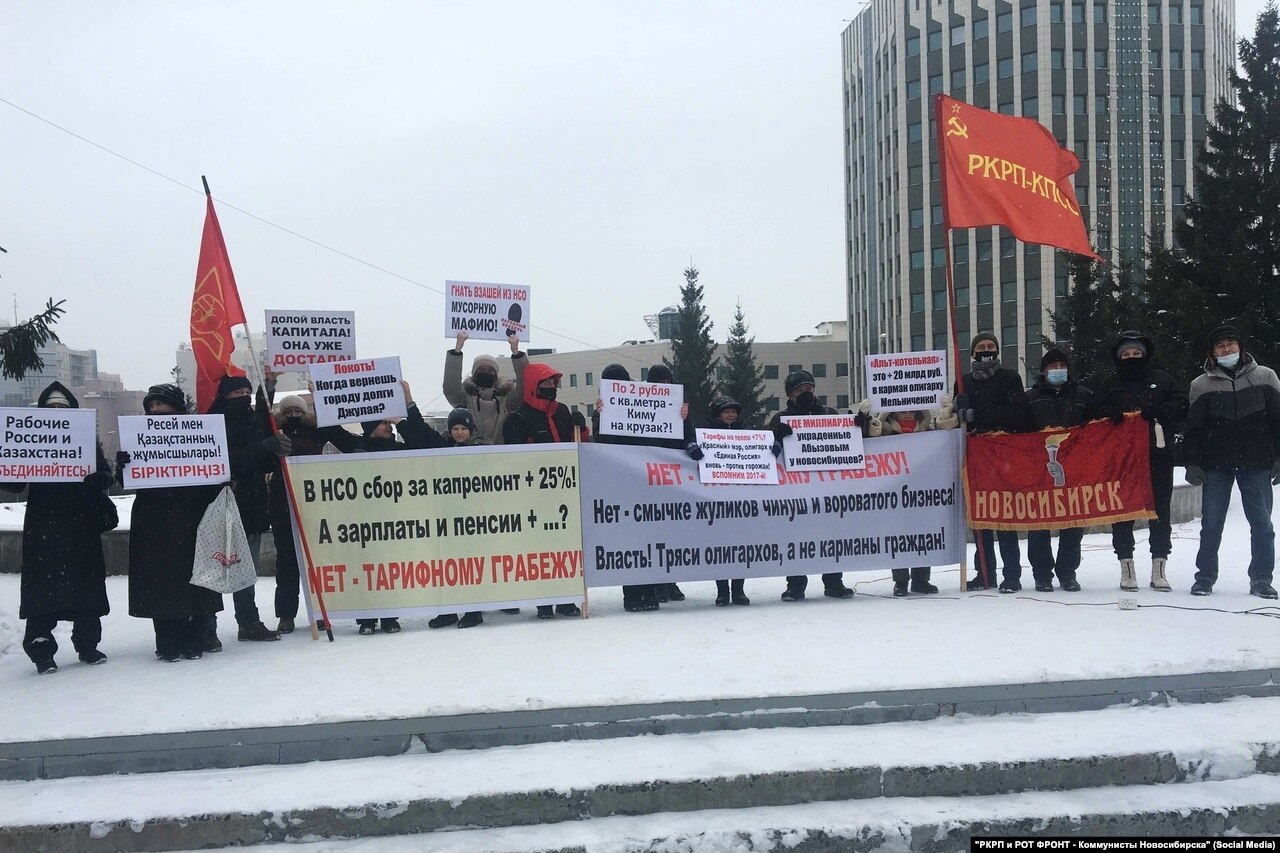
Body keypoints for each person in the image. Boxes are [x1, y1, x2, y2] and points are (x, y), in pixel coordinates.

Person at [1, 382, 114, 674]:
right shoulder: (29, 441)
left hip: (80, 524)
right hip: (44, 524)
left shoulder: (85, 440)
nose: (56, 412)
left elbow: (105, 475)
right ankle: (41, 649)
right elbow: (14, 483)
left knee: (85, 587)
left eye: (61, 408)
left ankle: (87, 644)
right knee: (43, 590)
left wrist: (100, 479)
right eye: (51, 408)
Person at [118, 383, 224, 661]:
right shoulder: (138, 437)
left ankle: (194, 638)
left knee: (194, 583)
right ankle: (167, 641)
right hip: (154, 523)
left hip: (191, 519)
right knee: (161, 585)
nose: (155, 410)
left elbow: (210, 482)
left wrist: (219, 475)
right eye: (151, 406)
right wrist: (124, 465)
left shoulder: (198, 435)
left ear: (176, 408)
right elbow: (128, 481)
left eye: (160, 404)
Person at [1183, 325, 1280, 599]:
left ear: (1240, 347)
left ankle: (1261, 579)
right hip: (1216, 465)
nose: (1226, 349)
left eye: (1231, 344)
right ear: (1212, 353)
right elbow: (1193, 429)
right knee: (1211, 524)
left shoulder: (1266, 377)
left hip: (1257, 463)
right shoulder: (1200, 385)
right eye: (1220, 346)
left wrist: (1278, 456)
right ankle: (1205, 578)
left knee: (1262, 525)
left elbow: (1278, 420)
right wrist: (1192, 462)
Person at [201, 375, 289, 649]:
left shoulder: (253, 419)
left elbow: (261, 461)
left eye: (247, 391)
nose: (243, 396)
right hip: (218, 504)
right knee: (213, 568)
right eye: (237, 391)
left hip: (251, 505)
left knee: (245, 568)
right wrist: (264, 448)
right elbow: (225, 461)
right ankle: (207, 628)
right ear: (224, 394)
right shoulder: (212, 423)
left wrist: (276, 452)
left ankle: (248, 621)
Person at [1097, 330, 1187, 592]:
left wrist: (1161, 410)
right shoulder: (1110, 384)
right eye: (1126, 353)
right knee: (1122, 510)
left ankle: (1159, 567)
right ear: (1118, 357)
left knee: (1160, 511)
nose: (1131, 357)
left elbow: (1182, 405)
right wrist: (1109, 414)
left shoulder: (1163, 380)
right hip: (1122, 459)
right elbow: (1093, 411)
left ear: (1146, 355)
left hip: (1157, 455)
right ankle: (1126, 566)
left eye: (1137, 353)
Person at [354, 380, 445, 634]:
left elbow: (425, 443)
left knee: (390, 568)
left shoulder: (399, 448)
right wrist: (320, 400)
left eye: (389, 423)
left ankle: (389, 616)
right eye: (384, 423)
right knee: (367, 568)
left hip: (394, 517)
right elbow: (330, 432)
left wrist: (404, 415)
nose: (389, 426)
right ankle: (367, 618)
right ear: (371, 427)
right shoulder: (356, 448)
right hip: (365, 519)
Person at [266, 389, 360, 634]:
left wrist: (321, 398)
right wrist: (268, 387)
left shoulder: (316, 430)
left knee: (316, 562)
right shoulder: (274, 432)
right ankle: (286, 615)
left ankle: (319, 611)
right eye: (288, 411)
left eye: (298, 410)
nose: (293, 415)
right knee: (286, 562)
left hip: (313, 501)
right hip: (283, 501)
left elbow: (342, 438)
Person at [502, 362, 581, 619]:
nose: (550, 387)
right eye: (545, 383)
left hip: (565, 492)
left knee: (566, 548)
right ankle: (544, 601)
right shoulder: (517, 418)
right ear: (532, 386)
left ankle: (567, 598)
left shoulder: (563, 412)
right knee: (540, 550)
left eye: (552, 383)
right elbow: (513, 460)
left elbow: (578, 446)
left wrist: (582, 428)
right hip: (534, 496)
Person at [857, 397, 958, 596]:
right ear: (893, 413)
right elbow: (866, 448)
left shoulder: (928, 433)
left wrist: (948, 416)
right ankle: (901, 581)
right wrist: (865, 421)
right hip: (895, 496)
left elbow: (947, 447)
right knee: (899, 537)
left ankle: (921, 579)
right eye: (903, 411)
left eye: (911, 411)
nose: (908, 415)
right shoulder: (883, 433)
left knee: (923, 535)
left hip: (924, 494)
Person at [953, 333, 1029, 592]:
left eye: (990, 346)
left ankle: (1012, 574)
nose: (986, 350)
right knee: (980, 519)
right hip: (975, 457)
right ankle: (984, 573)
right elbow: (957, 421)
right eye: (981, 347)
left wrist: (979, 414)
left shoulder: (1009, 378)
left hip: (1002, 455)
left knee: (1004, 516)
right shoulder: (963, 382)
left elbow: (1017, 414)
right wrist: (958, 409)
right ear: (972, 353)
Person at [770, 370, 855, 602]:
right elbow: (767, 452)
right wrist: (776, 436)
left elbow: (850, 444)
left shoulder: (829, 414)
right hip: (795, 490)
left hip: (828, 488)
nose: (805, 392)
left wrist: (857, 427)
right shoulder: (781, 418)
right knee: (796, 538)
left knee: (831, 536)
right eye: (800, 390)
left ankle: (834, 583)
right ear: (790, 394)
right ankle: (795, 585)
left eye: (809, 388)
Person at [593, 363, 662, 612]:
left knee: (648, 538)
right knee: (630, 542)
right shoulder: (603, 410)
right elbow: (601, 442)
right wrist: (600, 415)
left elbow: (661, 432)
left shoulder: (643, 404)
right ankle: (632, 595)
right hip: (621, 483)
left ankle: (649, 592)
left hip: (645, 479)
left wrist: (679, 415)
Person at [1024, 348, 1093, 593]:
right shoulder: (1030, 398)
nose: (1058, 370)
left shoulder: (1084, 395)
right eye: (1052, 366)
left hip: (1075, 468)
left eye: (1062, 366)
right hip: (1039, 469)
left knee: (1073, 522)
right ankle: (1042, 574)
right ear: (1044, 371)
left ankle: (1067, 572)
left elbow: (1095, 428)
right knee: (1039, 523)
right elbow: (1021, 430)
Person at [688, 395, 752, 606]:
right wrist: (691, 446)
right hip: (716, 499)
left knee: (741, 547)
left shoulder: (747, 434)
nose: (731, 415)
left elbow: (761, 452)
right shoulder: (705, 436)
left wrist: (772, 447)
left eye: (734, 411)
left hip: (741, 500)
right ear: (718, 415)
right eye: (727, 411)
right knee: (721, 548)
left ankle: (739, 590)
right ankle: (722, 591)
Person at [443, 330, 527, 444]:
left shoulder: (507, 397)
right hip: (473, 452)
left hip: (502, 452)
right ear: (474, 373)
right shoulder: (465, 397)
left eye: (490, 370)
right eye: (481, 370)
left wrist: (517, 354)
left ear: (496, 375)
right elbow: (451, 387)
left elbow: (525, 384)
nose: (485, 373)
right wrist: (457, 350)